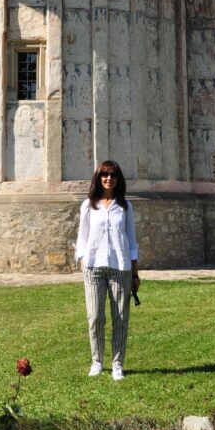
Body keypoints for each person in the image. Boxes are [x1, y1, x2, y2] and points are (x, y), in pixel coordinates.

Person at [75, 160, 140, 380]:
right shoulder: (88, 206)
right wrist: (82, 259)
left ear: (118, 179)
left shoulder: (125, 207)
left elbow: (131, 241)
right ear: (98, 178)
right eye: (104, 175)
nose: (108, 179)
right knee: (95, 317)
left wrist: (135, 272)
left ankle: (117, 364)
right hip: (94, 268)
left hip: (120, 267)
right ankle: (97, 361)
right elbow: (82, 237)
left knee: (120, 317)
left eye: (113, 175)